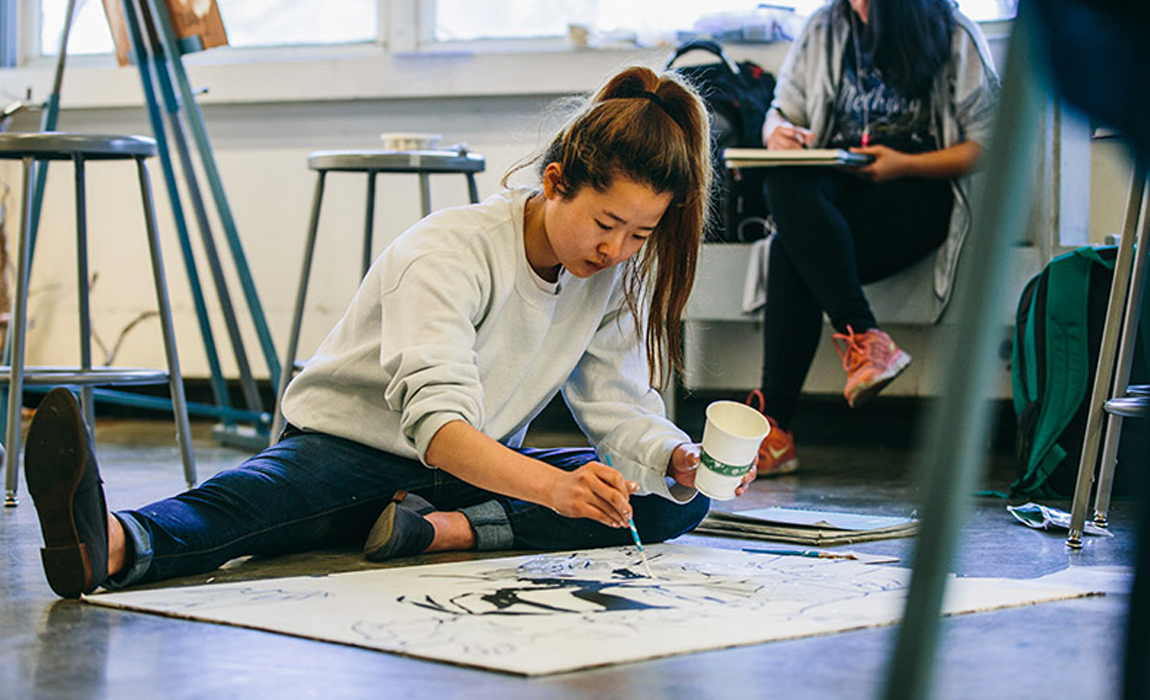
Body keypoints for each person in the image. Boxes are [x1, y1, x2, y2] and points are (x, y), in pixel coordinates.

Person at [24, 65, 749, 600]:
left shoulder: (616, 274)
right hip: (358, 450)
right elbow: (437, 428)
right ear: (557, 180)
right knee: (262, 502)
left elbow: (620, 410)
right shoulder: (448, 249)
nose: (617, 249)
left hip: (475, 474)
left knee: (660, 500)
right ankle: (115, 540)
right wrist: (549, 492)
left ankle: (440, 531)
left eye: (640, 234)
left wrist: (678, 459)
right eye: (605, 223)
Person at [749, 0, 1000, 476]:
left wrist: (904, 165)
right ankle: (864, 336)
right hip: (840, 188)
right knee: (782, 184)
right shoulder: (823, 26)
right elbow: (783, 110)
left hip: (916, 190)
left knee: (792, 248)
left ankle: (775, 428)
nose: (859, 6)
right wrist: (779, 132)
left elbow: (984, 142)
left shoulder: (952, 30)